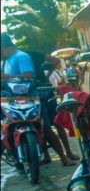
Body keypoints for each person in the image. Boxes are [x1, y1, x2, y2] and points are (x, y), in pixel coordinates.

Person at [1, 32, 76, 166]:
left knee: (48, 126)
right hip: (16, 101)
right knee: (39, 128)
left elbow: (29, 75)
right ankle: (45, 155)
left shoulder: (23, 56)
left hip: (38, 97)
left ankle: (65, 156)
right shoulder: (5, 61)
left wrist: (46, 79)